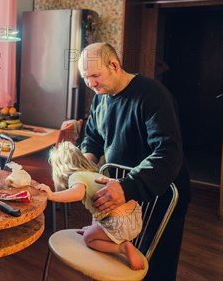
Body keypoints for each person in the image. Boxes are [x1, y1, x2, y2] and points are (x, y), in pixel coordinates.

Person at [78, 42, 191, 280]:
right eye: (86, 78)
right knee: (120, 262)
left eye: (95, 76)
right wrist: (87, 162)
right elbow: (92, 136)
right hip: (122, 199)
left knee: (152, 268)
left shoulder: (153, 95)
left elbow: (168, 152)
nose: (91, 84)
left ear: (115, 65)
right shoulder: (101, 96)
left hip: (159, 197)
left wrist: (127, 186)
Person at [36, 141, 145, 270]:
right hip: (136, 220)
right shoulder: (95, 174)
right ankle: (98, 232)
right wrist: (95, 228)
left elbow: (77, 194)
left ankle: (122, 247)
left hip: (120, 224)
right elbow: (98, 212)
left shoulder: (76, 176)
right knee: (97, 214)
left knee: (89, 239)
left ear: (61, 169)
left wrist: (52, 195)